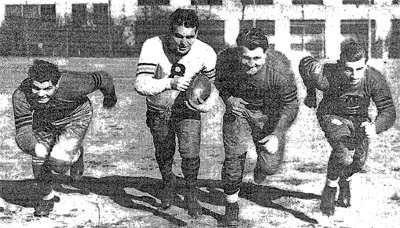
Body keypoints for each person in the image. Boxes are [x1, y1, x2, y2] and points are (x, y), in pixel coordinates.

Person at [134, 8, 218, 219]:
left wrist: (205, 104)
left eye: (190, 37)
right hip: (159, 108)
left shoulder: (206, 52)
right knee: (164, 151)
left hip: (186, 109)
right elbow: (140, 83)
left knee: (190, 153)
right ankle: (168, 184)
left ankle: (191, 193)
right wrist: (168, 83)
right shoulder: (153, 45)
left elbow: (212, 88)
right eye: (178, 35)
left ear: (197, 34)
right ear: (169, 32)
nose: (183, 42)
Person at [298, 41, 396, 216]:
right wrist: (311, 93)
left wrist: (376, 126)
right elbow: (306, 64)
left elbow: (388, 109)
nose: (354, 75)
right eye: (348, 69)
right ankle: (330, 189)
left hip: (359, 119)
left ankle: (345, 181)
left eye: (359, 69)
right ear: (339, 64)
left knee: (358, 161)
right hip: (332, 115)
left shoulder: (373, 78)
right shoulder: (328, 74)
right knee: (344, 153)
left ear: (366, 64)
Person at [214, 28, 299, 226]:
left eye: (257, 58)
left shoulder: (279, 68)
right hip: (240, 110)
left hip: (269, 114)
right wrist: (229, 99)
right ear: (237, 52)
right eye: (246, 57)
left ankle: (261, 168)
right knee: (233, 159)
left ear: (266, 53)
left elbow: (291, 104)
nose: (251, 64)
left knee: (270, 167)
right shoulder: (226, 59)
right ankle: (231, 205)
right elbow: (220, 83)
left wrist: (277, 134)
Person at [12, 59, 117, 217]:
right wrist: (34, 146)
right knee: (39, 159)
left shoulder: (73, 83)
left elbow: (104, 78)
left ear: (57, 84)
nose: (41, 94)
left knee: (59, 165)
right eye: (36, 88)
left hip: (76, 117)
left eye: (47, 88)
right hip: (44, 120)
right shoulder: (21, 95)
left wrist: (110, 97)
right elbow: (22, 131)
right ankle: (47, 198)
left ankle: (76, 154)